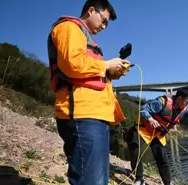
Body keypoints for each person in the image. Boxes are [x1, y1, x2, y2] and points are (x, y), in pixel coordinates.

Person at [47, 0, 129, 184]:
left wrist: (111, 72)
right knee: (90, 180)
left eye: (107, 24)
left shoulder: (84, 37)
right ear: (91, 10)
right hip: (82, 115)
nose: (104, 26)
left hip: (95, 115)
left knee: (99, 179)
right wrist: (106, 64)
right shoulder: (69, 27)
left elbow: (87, 71)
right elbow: (71, 64)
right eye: (104, 20)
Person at [124, 87, 188, 185]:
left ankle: (167, 183)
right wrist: (150, 119)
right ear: (179, 98)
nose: (187, 105)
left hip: (157, 134)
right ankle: (139, 179)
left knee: (162, 159)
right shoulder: (161, 102)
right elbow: (143, 109)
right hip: (143, 129)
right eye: (186, 102)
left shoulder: (184, 110)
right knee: (135, 148)